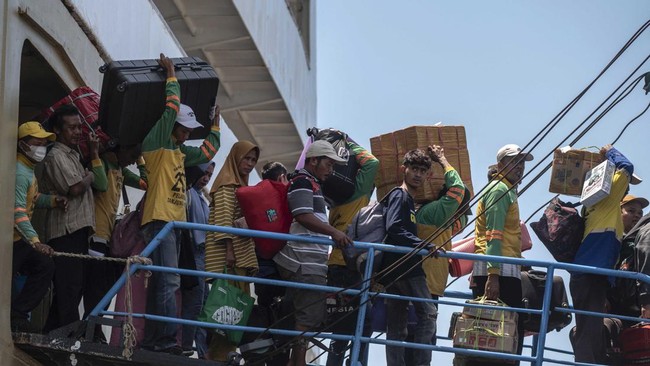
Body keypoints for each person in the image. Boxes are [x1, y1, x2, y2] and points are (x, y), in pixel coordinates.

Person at [140, 53, 221, 354]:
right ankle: (164, 341)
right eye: (183, 128)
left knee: (163, 281)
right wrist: (171, 73)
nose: (187, 133)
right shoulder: (157, 141)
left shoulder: (181, 151)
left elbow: (210, 148)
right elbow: (171, 106)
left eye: (189, 130)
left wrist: (215, 122)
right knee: (170, 281)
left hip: (173, 223)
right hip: (160, 220)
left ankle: (153, 340)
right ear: (171, 126)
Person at [273, 140, 351, 366]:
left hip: (309, 261)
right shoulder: (303, 182)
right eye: (328, 163)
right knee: (307, 319)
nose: (331, 169)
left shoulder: (311, 183)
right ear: (313, 160)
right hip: (303, 261)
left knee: (305, 317)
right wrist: (334, 233)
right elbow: (302, 215)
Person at [34, 105, 108, 332]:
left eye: (79, 127)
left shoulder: (73, 155)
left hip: (77, 230)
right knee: (69, 287)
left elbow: (99, 184)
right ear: (57, 130)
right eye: (71, 128)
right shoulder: (56, 155)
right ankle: (69, 335)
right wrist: (88, 175)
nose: (77, 132)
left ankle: (51, 333)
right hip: (65, 232)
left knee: (73, 288)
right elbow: (75, 188)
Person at [570, 145, 638, 364]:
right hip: (591, 272)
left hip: (590, 273)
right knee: (589, 330)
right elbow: (626, 167)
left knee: (590, 327)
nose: (626, 188)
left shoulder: (594, 204)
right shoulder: (608, 198)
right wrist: (610, 151)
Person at [470, 144, 533, 365]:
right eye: (514, 162)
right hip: (499, 273)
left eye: (522, 163)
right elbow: (493, 235)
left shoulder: (505, 190)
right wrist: (493, 276)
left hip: (504, 268)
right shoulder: (499, 190)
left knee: (503, 333)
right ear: (500, 166)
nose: (520, 167)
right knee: (499, 332)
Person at [380, 149, 438, 366]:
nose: (418, 175)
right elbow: (393, 226)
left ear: (427, 175)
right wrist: (421, 244)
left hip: (393, 268)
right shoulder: (400, 195)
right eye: (414, 169)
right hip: (406, 267)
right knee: (429, 313)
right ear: (403, 169)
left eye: (423, 171)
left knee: (396, 324)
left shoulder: (408, 200)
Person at [83, 145, 146, 342]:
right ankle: (90, 327)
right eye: (132, 154)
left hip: (109, 237)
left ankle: (93, 326)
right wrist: (95, 155)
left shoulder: (121, 169)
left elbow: (146, 183)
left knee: (105, 288)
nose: (133, 160)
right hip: (96, 234)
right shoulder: (102, 163)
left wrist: (141, 160)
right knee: (95, 286)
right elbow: (101, 184)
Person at [204, 141, 259, 361]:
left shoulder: (238, 184)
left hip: (238, 257)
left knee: (234, 311)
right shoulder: (228, 184)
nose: (250, 164)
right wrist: (230, 251)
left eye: (253, 160)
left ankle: (222, 355)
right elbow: (226, 220)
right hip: (230, 258)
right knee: (228, 312)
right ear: (236, 157)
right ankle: (218, 357)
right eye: (246, 158)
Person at [325, 138, 378, 366]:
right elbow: (372, 163)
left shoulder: (334, 198)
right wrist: (348, 141)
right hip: (352, 267)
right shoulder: (359, 193)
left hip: (334, 266)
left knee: (339, 329)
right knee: (362, 328)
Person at [12, 122, 62, 333]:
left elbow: (32, 198)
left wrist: (51, 201)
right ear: (23, 145)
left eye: (44, 143)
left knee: (45, 267)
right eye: (37, 142)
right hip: (12, 241)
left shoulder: (27, 169)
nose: (42, 146)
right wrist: (36, 242)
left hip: (17, 239)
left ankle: (18, 314)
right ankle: (16, 315)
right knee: (43, 266)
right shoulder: (20, 173)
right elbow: (18, 213)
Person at [414, 145, 465, 343]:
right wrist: (442, 160)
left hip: (428, 283)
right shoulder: (434, 212)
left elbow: (463, 219)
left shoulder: (438, 219)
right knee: (421, 341)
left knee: (416, 340)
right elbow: (459, 189)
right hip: (426, 284)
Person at [180, 162, 214, 358]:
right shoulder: (189, 193)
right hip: (193, 253)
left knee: (203, 306)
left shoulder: (201, 197)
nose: (206, 178)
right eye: (204, 173)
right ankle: (186, 346)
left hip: (203, 256)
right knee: (194, 304)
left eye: (209, 174)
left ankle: (201, 351)